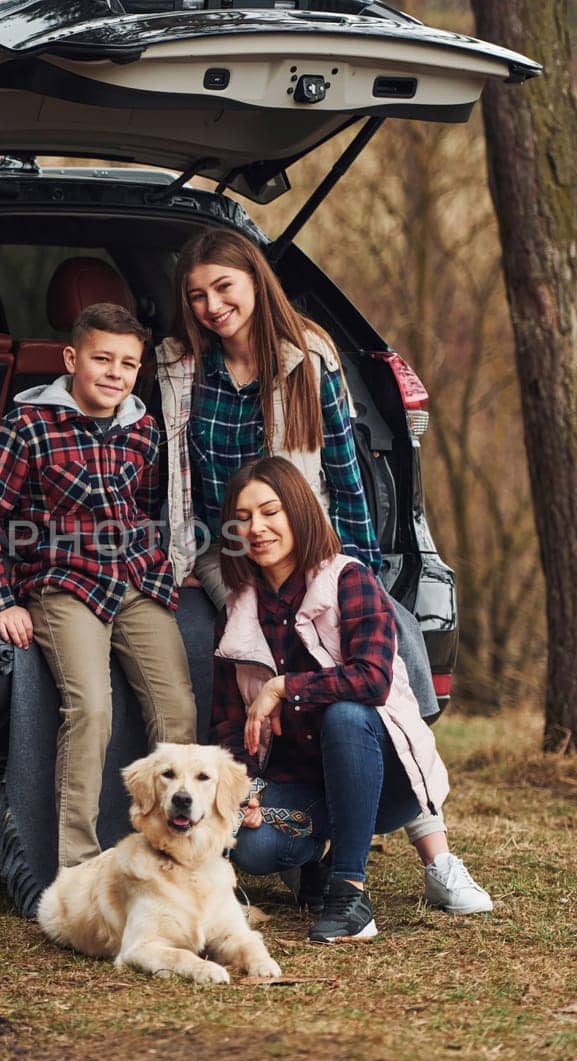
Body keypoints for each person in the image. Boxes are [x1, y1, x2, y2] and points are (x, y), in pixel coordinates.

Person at [157, 227, 491, 915]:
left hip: (310, 548)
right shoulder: (181, 368)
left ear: (253, 280)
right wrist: (184, 563)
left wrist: (356, 576)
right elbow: (176, 478)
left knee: (386, 646)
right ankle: (273, 820)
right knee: (238, 646)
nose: (214, 305)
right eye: (198, 297)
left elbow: (343, 470)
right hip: (227, 554)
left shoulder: (307, 357)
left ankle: (434, 849)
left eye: (224, 287)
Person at [0, 302, 198, 869]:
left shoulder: (142, 428)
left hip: (136, 578)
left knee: (177, 711)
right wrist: (0, 600)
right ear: (71, 359)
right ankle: (78, 867)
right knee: (91, 708)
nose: (115, 374)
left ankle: (176, 854)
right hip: (63, 582)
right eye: (102, 359)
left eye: (128, 364)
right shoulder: (29, 425)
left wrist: (162, 558)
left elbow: (147, 502)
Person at [211, 457, 464, 942]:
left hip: (387, 783)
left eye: (270, 512)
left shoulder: (349, 579)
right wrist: (243, 792)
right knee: (253, 846)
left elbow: (372, 681)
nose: (256, 528)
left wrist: (284, 687)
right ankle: (317, 863)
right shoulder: (237, 613)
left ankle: (350, 895)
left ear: (300, 512)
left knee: (348, 716)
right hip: (301, 787)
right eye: (242, 519)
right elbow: (227, 728)